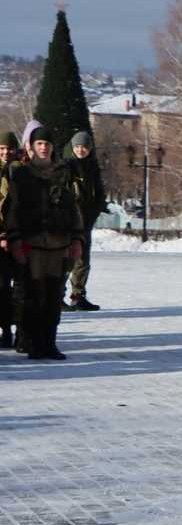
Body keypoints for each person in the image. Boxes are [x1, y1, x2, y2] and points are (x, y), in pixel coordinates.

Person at [0, 126, 83, 360]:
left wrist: (77, 238)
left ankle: (49, 342)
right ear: (31, 147)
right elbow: (12, 210)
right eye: (39, 144)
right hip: (32, 244)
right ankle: (33, 342)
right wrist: (13, 239)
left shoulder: (64, 173)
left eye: (47, 144)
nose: (44, 148)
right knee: (33, 296)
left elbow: (74, 207)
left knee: (54, 295)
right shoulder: (21, 175)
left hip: (58, 244)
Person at [63, 131, 106, 312]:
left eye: (85, 147)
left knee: (83, 261)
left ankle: (78, 295)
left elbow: (98, 194)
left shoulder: (92, 168)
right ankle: (57, 295)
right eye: (78, 147)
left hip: (86, 221)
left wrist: (95, 211)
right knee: (66, 261)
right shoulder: (66, 167)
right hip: (68, 223)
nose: (81, 150)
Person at [0, 132, 20, 348]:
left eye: (9, 149)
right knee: (2, 287)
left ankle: (15, 330)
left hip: (19, 236)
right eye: (1, 149)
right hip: (2, 238)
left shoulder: (20, 171)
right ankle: (5, 329)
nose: (6, 152)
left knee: (19, 288)